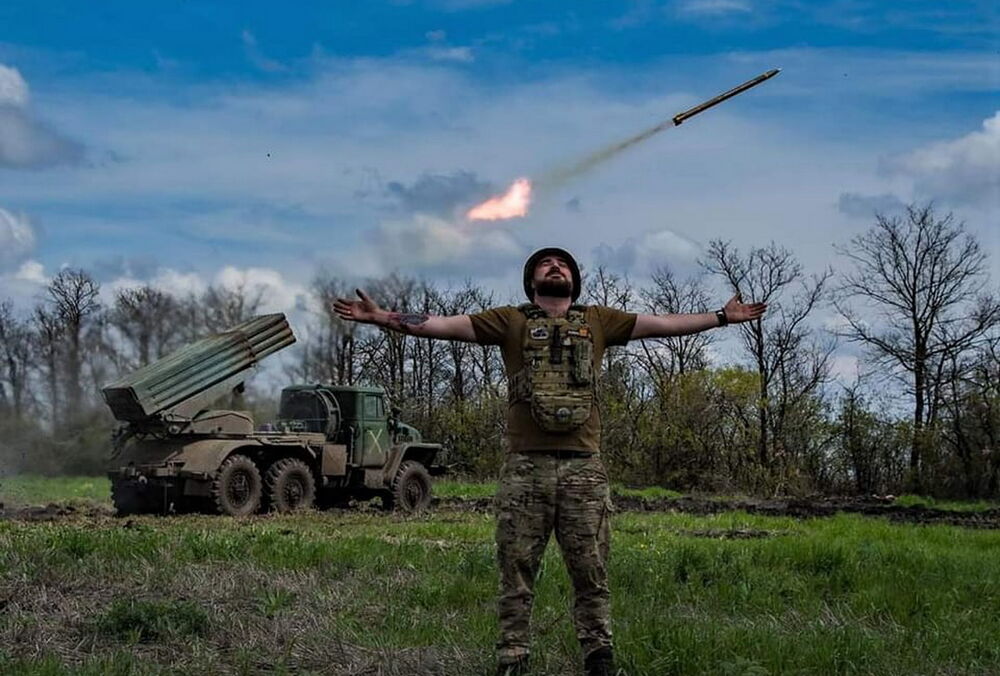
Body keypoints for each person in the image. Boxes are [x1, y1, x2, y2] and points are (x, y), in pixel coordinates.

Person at [333, 247, 767, 676]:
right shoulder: (510, 321)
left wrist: (723, 317)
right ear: (532, 281)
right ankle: (513, 656)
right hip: (525, 467)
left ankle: (599, 658)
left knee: (591, 570)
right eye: (545, 263)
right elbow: (443, 325)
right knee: (516, 569)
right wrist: (383, 317)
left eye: (563, 263)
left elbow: (664, 324)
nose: (555, 266)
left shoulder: (598, 321)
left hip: (584, 467)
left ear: (574, 281)